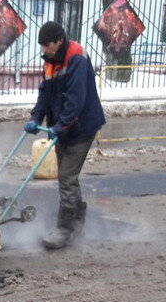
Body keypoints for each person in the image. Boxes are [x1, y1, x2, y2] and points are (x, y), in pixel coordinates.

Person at [25, 20, 106, 250]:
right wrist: (35, 118)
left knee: (67, 178)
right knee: (68, 177)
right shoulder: (51, 62)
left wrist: (59, 127)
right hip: (64, 127)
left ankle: (64, 228)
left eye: (46, 45)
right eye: (41, 46)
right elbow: (45, 94)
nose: (43, 50)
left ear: (59, 41)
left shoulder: (76, 58)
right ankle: (77, 220)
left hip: (82, 126)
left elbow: (76, 101)